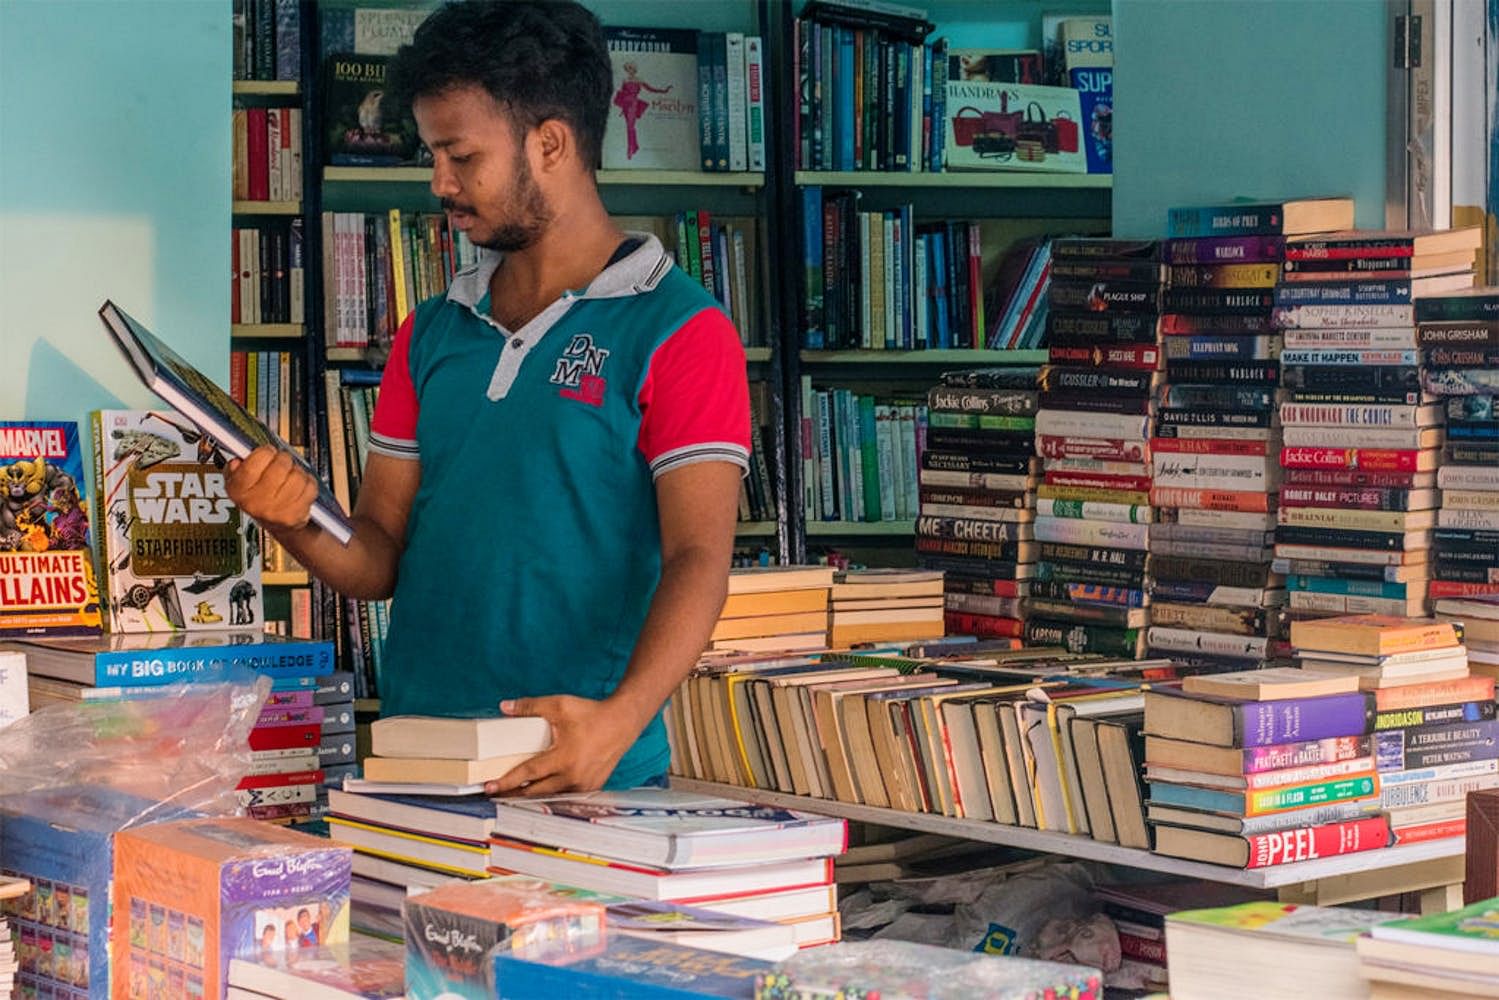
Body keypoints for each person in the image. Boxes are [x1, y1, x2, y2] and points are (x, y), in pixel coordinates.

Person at [225, 0, 748, 796]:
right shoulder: (430, 332)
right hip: (417, 761)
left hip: (578, 773)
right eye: (434, 154)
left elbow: (699, 557)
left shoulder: (681, 330)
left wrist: (621, 719)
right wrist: (291, 519)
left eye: (460, 156)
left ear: (550, 143)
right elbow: (375, 560)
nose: (439, 183)